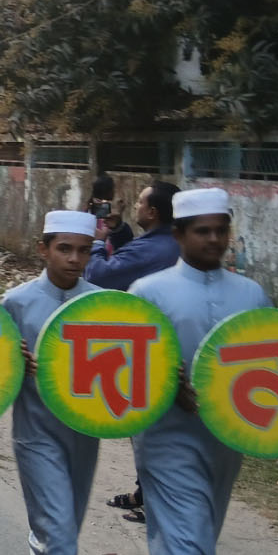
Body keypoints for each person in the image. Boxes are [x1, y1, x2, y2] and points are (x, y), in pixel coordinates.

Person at [128, 188, 269, 555]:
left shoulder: (252, 295)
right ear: (179, 234)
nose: (213, 239)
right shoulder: (148, 292)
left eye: (220, 230)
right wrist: (168, 388)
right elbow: (129, 366)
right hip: (166, 433)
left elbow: (270, 358)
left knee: (202, 527)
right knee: (185, 525)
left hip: (227, 437)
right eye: (203, 231)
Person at [0, 210, 105, 555]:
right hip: (36, 433)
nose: (74, 259)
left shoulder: (103, 305)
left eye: (83, 250)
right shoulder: (16, 302)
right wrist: (13, 363)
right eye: (64, 249)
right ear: (43, 249)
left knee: (65, 525)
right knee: (59, 529)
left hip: (84, 436)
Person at [84, 180, 180, 521]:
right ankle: (145, 492)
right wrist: (119, 230)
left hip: (151, 350)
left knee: (149, 431)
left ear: (152, 212)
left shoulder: (153, 249)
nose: (135, 206)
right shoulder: (168, 243)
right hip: (165, 344)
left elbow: (100, 275)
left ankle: (156, 502)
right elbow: (133, 257)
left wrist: (97, 243)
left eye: (140, 202)